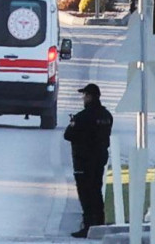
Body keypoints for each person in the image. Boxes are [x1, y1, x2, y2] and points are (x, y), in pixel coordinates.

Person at [63, 83, 113, 239]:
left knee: (86, 194)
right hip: (99, 160)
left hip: (84, 161)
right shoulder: (106, 116)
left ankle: (89, 226)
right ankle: (99, 223)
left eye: (85, 95)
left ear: (90, 97)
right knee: (96, 191)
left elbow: (68, 135)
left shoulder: (82, 117)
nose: (83, 98)